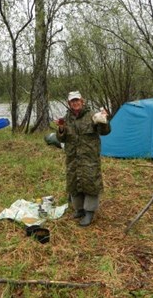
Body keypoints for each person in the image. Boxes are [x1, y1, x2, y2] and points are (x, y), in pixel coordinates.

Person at [55, 91, 111, 227]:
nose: (75, 103)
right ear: (69, 104)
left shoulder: (92, 115)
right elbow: (61, 138)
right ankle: (79, 210)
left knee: (90, 183)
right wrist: (61, 129)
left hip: (89, 157)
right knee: (74, 182)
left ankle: (89, 212)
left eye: (77, 100)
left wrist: (104, 121)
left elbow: (105, 132)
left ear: (82, 101)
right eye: (72, 101)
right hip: (73, 157)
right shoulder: (66, 118)